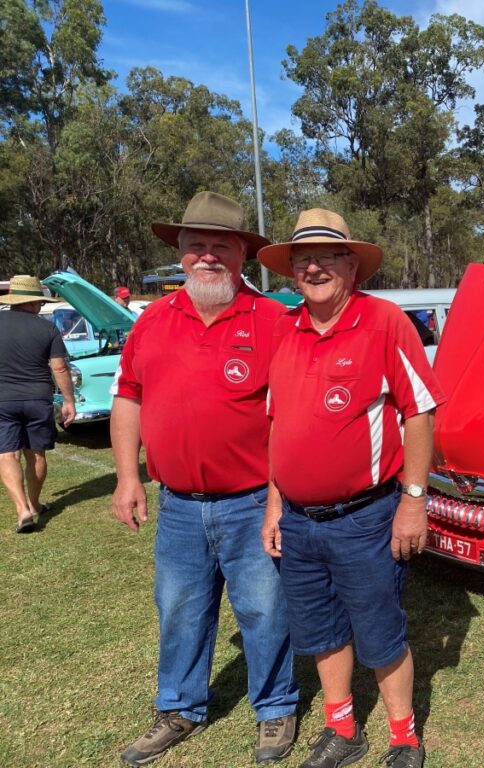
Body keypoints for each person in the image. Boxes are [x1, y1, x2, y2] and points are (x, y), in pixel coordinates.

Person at [110, 192, 299, 766]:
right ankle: (179, 707)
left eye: (223, 246)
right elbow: (128, 397)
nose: (209, 256)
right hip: (180, 506)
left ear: (244, 255)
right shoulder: (152, 322)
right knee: (179, 607)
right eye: (198, 246)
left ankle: (275, 708)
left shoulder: (273, 320)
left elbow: (293, 415)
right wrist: (126, 477)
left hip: (252, 503)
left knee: (265, 609)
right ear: (181, 254)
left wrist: (278, 500)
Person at [258, 209, 445, 768]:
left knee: (380, 631)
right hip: (297, 519)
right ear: (291, 270)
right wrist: (273, 504)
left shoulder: (384, 321)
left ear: (351, 265)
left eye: (327, 256)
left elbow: (420, 413)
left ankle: (403, 736)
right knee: (319, 630)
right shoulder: (284, 332)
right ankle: (342, 729)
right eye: (302, 259)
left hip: (365, 517)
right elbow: (277, 426)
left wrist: (413, 503)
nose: (313, 267)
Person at [0, 275, 76, 533]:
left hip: (2, 400)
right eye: (40, 304)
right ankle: (34, 504)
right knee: (36, 454)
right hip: (37, 399)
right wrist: (68, 401)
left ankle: (22, 509)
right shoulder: (47, 328)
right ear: (32, 302)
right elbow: (60, 368)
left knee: (6, 453)